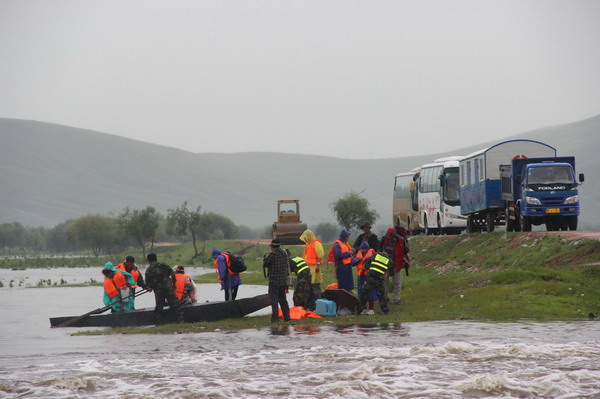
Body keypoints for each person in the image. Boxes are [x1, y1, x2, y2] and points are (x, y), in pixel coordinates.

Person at [144, 253, 183, 323]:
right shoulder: (163, 265)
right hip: (168, 287)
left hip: (158, 291)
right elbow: (172, 274)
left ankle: (159, 322)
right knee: (175, 304)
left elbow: (148, 284)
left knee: (159, 307)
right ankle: (179, 320)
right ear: (156, 258)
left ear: (148, 260)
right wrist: (174, 284)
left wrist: (149, 288)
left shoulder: (148, 270)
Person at [358, 249, 393, 315]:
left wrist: (364, 269)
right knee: (382, 295)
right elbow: (392, 272)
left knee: (364, 292)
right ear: (390, 254)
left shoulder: (376, 254)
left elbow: (367, 265)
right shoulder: (389, 260)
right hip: (380, 279)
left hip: (371, 276)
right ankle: (385, 310)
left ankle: (360, 309)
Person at [263, 239, 291, 322]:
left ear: (272, 246)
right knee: (283, 300)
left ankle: (275, 318)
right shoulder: (284, 253)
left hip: (274, 281)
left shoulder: (272, 254)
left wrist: (266, 258)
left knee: (274, 300)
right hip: (283, 281)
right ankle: (287, 317)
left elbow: (266, 264)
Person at [299, 229, 324, 309]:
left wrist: (318, 266)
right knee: (309, 286)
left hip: (314, 268)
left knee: (315, 286)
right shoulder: (308, 245)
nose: (305, 240)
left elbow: (320, 256)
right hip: (308, 268)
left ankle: (317, 305)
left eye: (306, 238)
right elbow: (305, 256)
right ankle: (310, 305)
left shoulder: (316, 243)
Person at [379, 227, 404, 304]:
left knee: (397, 282)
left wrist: (404, 260)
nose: (392, 237)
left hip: (397, 264)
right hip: (385, 264)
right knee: (384, 281)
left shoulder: (400, 240)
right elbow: (379, 251)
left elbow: (405, 251)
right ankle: (385, 297)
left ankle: (396, 298)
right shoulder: (383, 240)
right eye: (391, 236)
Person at [355, 241, 377, 314]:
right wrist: (356, 260)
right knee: (361, 293)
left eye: (365, 251)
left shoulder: (372, 254)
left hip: (369, 276)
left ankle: (371, 309)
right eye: (362, 251)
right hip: (360, 276)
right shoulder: (358, 254)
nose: (364, 252)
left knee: (371, 292)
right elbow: (352, 262)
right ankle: (363, 308)